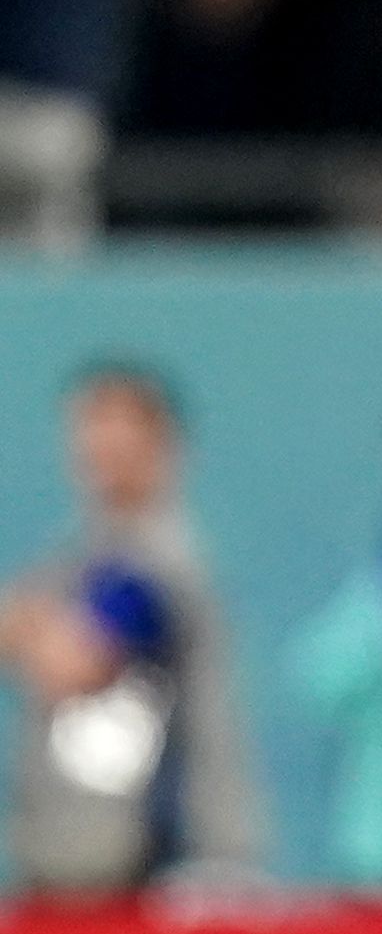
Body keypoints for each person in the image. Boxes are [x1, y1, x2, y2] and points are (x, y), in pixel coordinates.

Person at [1, 362, 259, 894]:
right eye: (91, 429)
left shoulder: (162, 561)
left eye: (122, 433)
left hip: (147, 857)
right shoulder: (78, 554)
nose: (102, 449)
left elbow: (76, 660)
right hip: (67, 850)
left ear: (165, 446)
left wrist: (31, 624)